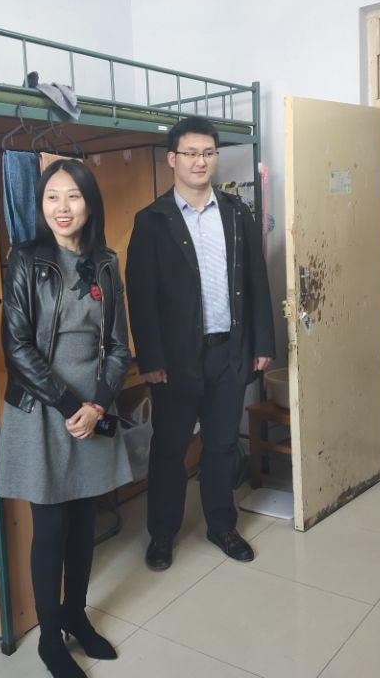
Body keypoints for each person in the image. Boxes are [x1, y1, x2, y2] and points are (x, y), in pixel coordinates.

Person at [0, 159, 133, 678]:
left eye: (73, 196)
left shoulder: (106, 262)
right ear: (41, 204)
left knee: (83, 522)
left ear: (90, 204)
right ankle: (50, 638)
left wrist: (97, 404)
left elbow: (119, 346)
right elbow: (17, 346)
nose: (61, 207)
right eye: (51, 196)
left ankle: (77, 615)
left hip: (92, 406)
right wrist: (71, 406)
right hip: (42, 408)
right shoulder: (26, 259)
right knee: (51, 527)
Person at [126, 116, 275, 571]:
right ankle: (162, 533)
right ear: (172, 159)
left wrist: (262, 342)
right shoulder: (151, 221)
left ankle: (221, 526)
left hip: (228, 351)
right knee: (170, 449)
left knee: (222, 444)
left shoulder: (237, 214)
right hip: (174, 360)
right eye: (190, 153)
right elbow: (141, 296)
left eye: (208, 152)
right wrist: (150, 358)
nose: (200, 161)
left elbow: (256, 280)